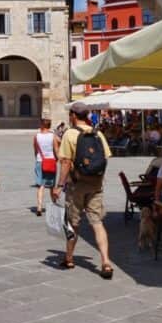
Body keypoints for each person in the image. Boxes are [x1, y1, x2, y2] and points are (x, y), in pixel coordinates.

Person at [52, 102, 113, 279]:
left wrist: (59, 186)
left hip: (76, 185)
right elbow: (105, 158)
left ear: (73, 115)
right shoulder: (98, 133)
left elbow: (65, 163)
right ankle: (106, 261)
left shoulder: (70, 134)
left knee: (74, 223)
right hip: (95, 184)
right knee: (97, 222)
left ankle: (69, 258)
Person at [34, 118, 59, 217]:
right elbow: (56, 149)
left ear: (42, 125)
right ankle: (54, 204)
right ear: (49, 126)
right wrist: (57, 159)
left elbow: (35, 150)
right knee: (52, 186)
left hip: (40, 161)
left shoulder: (36, 136)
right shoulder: (53, 136)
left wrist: (38, 159)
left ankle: (39, 207)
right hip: (51, 161)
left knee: (40, 185)